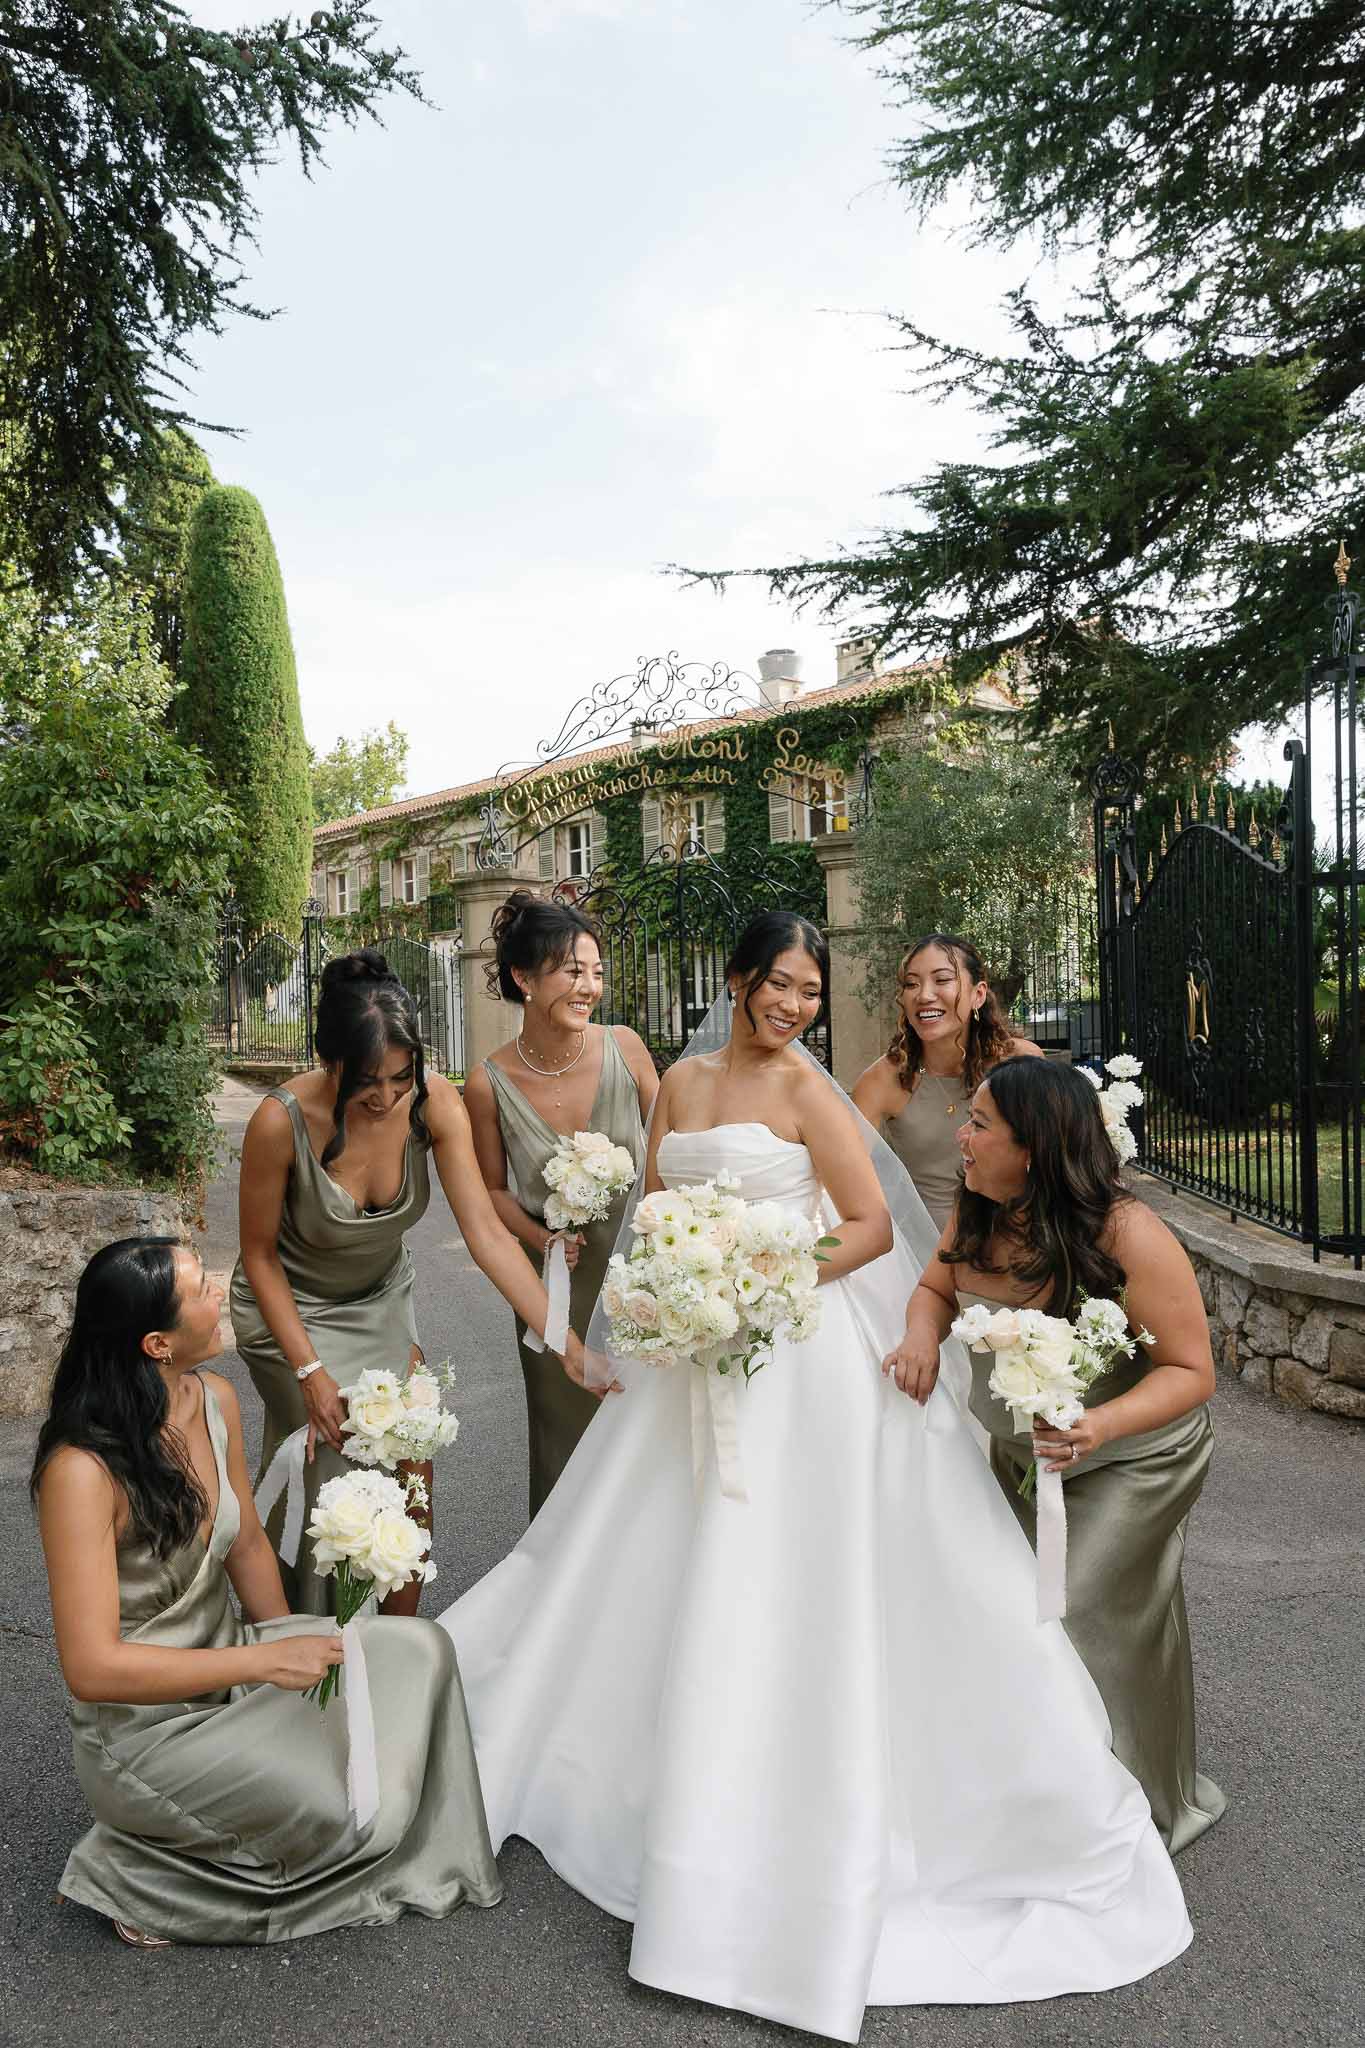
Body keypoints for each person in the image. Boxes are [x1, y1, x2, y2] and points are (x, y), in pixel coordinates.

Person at [437, 912, 1192, 2045]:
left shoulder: (809, 1090)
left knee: (789, 1556)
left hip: (794, 1339)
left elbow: (871, 1227)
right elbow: (654, 1210)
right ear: (740, 979)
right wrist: (666, 1293)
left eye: (809, 990)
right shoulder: (683, 1082)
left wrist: (759, 1277)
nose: (793, 1005)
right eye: (779, 984)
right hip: (694, 1343)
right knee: (651, 1546)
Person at [34, 1237, 501, 1949]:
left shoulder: (212, 1399)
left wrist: (293, 1652)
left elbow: (248, 1544)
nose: (219, 1292)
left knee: (420, 1648)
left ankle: (251, 1807)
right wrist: (264, 1665)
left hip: (231, 1667)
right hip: (146, 1733)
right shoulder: (80, 1471)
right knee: (339, 1805)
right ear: (158, 1344)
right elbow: (92, 1669)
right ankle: (134, 1871)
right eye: (200, 1289)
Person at [887, 1054, 1225, 1853]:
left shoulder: (1125, 1232)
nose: (960, 1136)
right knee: (1015, 1616)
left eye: (978, 1124)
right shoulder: (978, 1207)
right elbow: (935, 1288)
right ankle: (1047, 1800)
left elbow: (1191, 1372)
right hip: (1023, 1460)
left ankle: (1138, 1810)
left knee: (1080, 1611)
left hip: (1132, 1458)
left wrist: (1097, 1428)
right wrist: (919, 1337)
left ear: (1032, 1148)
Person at [231, 949, 591, 1613]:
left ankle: (398, 1646)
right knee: (333, 1460)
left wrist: (563, 1341)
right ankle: (307, 1637)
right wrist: (309, 1371)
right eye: (367, 1081)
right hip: (290, 1305)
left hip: (380, 1299)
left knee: (411, 1456)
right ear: (329, 1061)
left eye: (401, 1076)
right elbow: (257, 1256)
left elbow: (487, 1236)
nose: (387, 1097)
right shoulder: (280, 1122)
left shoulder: (432, 1102)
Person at [464, 892, 656, 1516]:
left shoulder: (626, 1049)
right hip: (555, 1289)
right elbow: (492, 1193)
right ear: (524, 979)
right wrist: (541, 1237)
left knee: (649, 1446)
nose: (589, 987)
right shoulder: (487, 1083)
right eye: (573, 971)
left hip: (646, 1282)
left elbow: (670, 1153)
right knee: (567, 1450)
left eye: (596, 972)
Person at [853, 933, 1041, 1233]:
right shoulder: (882, 1080)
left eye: (942, 980)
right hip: (921, 1244)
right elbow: (843, 1171)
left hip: (1013, 1235)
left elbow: (1057, 1157)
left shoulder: (1021, 1062)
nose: (924, 995)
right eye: (911, 984)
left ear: (978, 994)